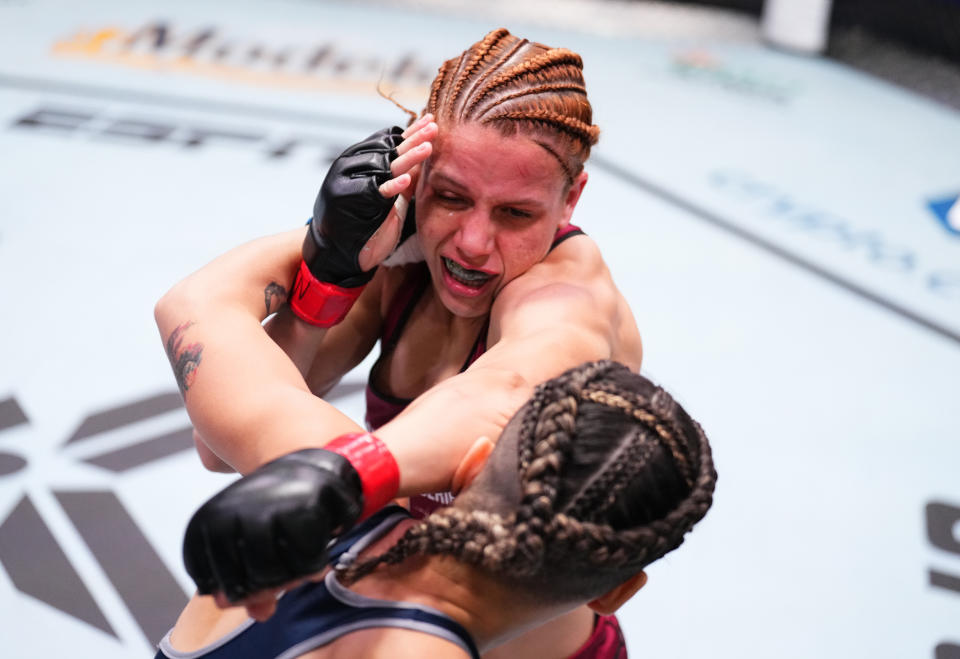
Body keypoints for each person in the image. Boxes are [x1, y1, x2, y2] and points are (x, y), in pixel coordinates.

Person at [154, 28, 643, 657]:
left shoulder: (571, 298)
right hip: (398, 610)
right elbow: (222, 444)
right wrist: (330, 266)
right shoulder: (402, 267)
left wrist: (341, 475)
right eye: (450, 197)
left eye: (516, 214)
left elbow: (510, 388)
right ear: (415, 176)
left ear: (570, 198)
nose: (472, 242)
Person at [156, 361, 717, 659]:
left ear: (469, 467)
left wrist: (332, 261)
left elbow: (194, 305)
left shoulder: (321, 488)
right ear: (615, 594)